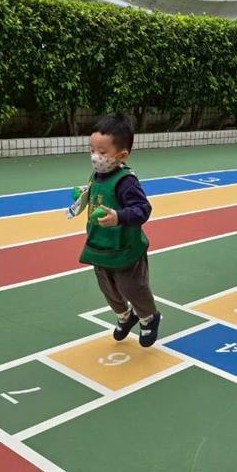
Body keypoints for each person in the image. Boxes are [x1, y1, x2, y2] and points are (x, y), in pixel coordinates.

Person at [70, 113, 161, 346]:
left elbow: (143, 209)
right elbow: (98, 195)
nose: (95, 157)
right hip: (99, 245)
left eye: (102, 152)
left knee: (132, 286)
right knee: (107, 287)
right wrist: (83, 194)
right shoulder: (97, 175)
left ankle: (148, 317)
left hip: (124, 246)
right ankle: (124, 316)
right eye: (92, 150)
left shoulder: (125, 181)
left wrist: (119, 216)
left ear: (121, 156)